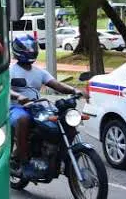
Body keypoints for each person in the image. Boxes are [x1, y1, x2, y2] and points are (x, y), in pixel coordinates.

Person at [8, 36, 86, 179]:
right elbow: (5, 89)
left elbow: (57, 85)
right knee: (23, 120)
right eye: (26, 49)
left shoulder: (39, 72)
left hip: (37, 106)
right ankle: (24, 161)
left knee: (62, 120)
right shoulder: (11, 71)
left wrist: (74, 90)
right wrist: (18, 96)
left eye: (32, 48)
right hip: (16, 108)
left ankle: (60, 156)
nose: (30, 51)